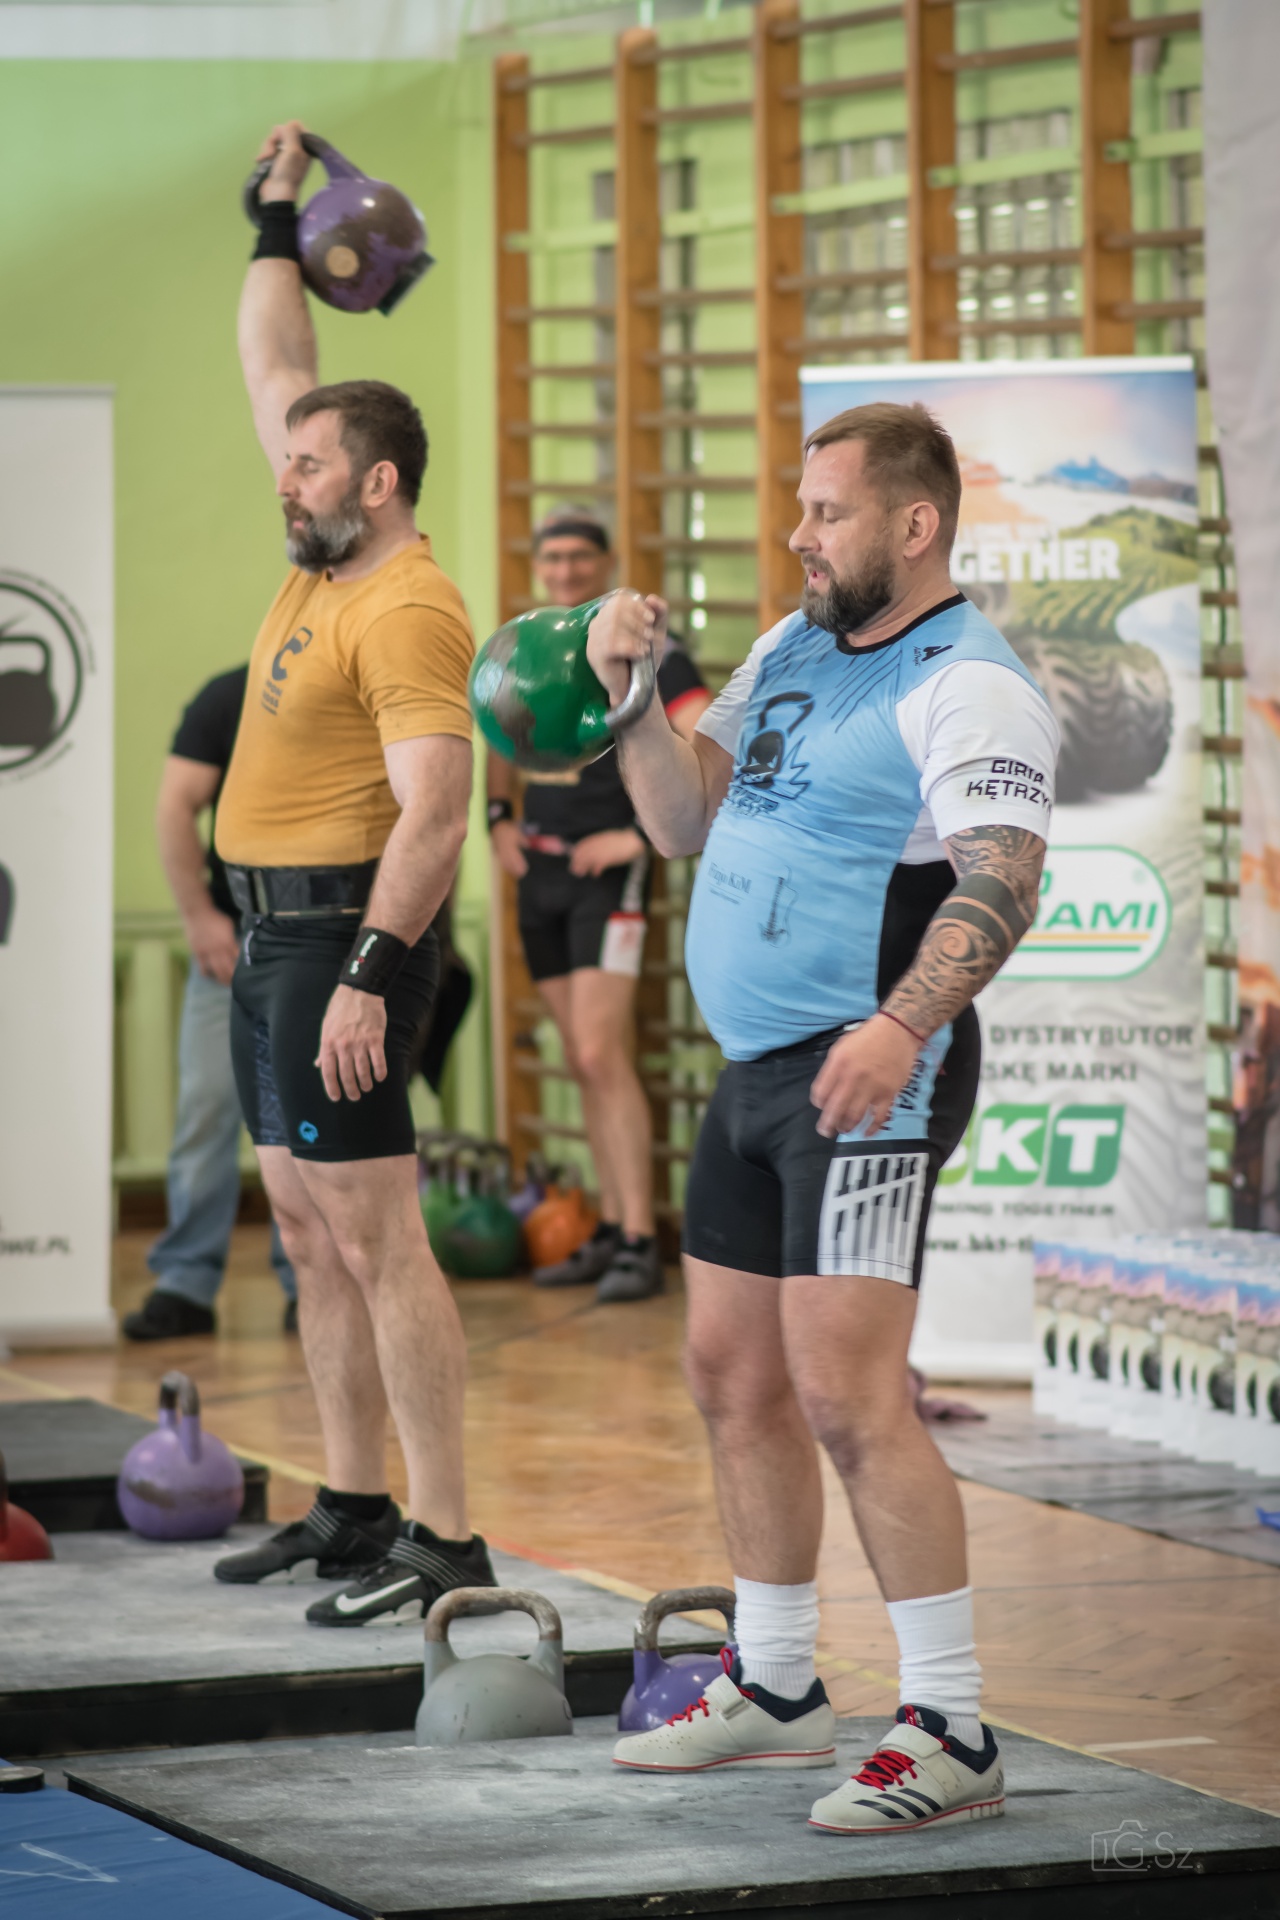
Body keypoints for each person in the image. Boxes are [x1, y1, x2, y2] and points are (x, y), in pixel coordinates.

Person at [587, 403, 1058, 1832]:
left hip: (873, 1072)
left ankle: (951, 1728)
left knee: (852, 1398)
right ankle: (780, 1685)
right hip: (754, 1070)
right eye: (801, 508)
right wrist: (631, 697)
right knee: (730, 1376)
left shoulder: (969, 682)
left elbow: (1003, 879)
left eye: (827, 513)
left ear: (915, 526)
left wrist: (900, 1025)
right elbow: (682, 818)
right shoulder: (793, 645)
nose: (797, 535)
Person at [208, 120, 494, 1626]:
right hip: (271, 942)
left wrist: (373, 979)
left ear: (375, 483)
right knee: (310, 1235)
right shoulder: (321, 561)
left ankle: (446, 1538)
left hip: (342, 944)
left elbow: (438, 813)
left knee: (381, 1243)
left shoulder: (407, 607)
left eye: (309, 463)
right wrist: (278, 218)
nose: (286, 475)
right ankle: (353, 1505)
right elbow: (275, 359)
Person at [487, 505, 711, 1302]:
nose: (566, 571)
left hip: (606, 879)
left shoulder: (651, 652)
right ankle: (612, 1228)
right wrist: (498, 818)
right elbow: (500, 728)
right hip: (539, 873)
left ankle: (640, 1241)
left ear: (606, 564)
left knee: (597, 1054)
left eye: (581, 558)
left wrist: (636, 839)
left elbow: (704, 745)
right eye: (553, 559)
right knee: (580, 1062)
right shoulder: (529, 648)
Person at [124, 667, 298, 1341]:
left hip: (322, 937)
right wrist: (198, 916)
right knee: (206, 1108)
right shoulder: (228, 697)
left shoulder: (356, 687)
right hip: (232, 941)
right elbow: (175, 805)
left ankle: (309, 1281)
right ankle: (186, 1282)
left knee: (306, 1120)